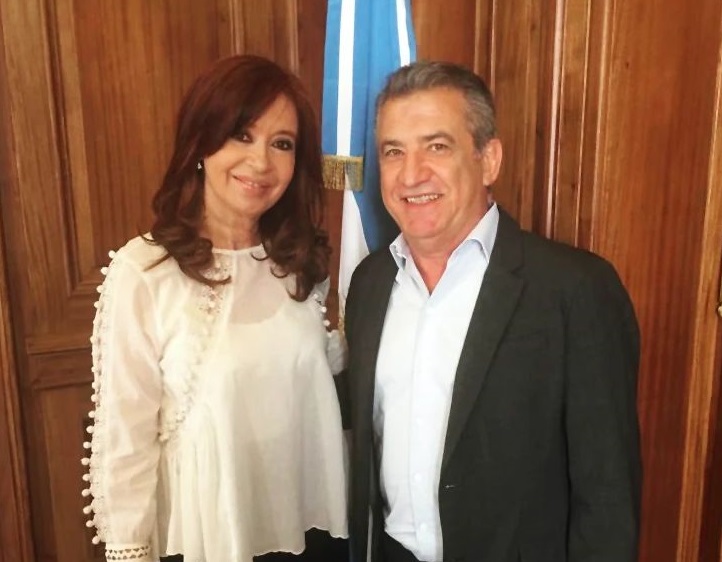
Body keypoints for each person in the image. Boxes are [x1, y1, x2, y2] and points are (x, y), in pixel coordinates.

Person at [343, 61, 641, 562]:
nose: (411, 174)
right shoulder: (369, 284)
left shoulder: (576, 291)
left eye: (437, 146)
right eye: (394, 151)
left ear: (488, 160)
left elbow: (608, 496)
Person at [81, 54, 349, 562]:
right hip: (210, 538)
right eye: (242, 135)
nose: (261, 162)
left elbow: (316, 382)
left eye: (282, 143)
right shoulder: (145, 271)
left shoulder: (299, 263)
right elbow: (125, 438)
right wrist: (128, 550)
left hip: (310, 530)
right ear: (201, 143)